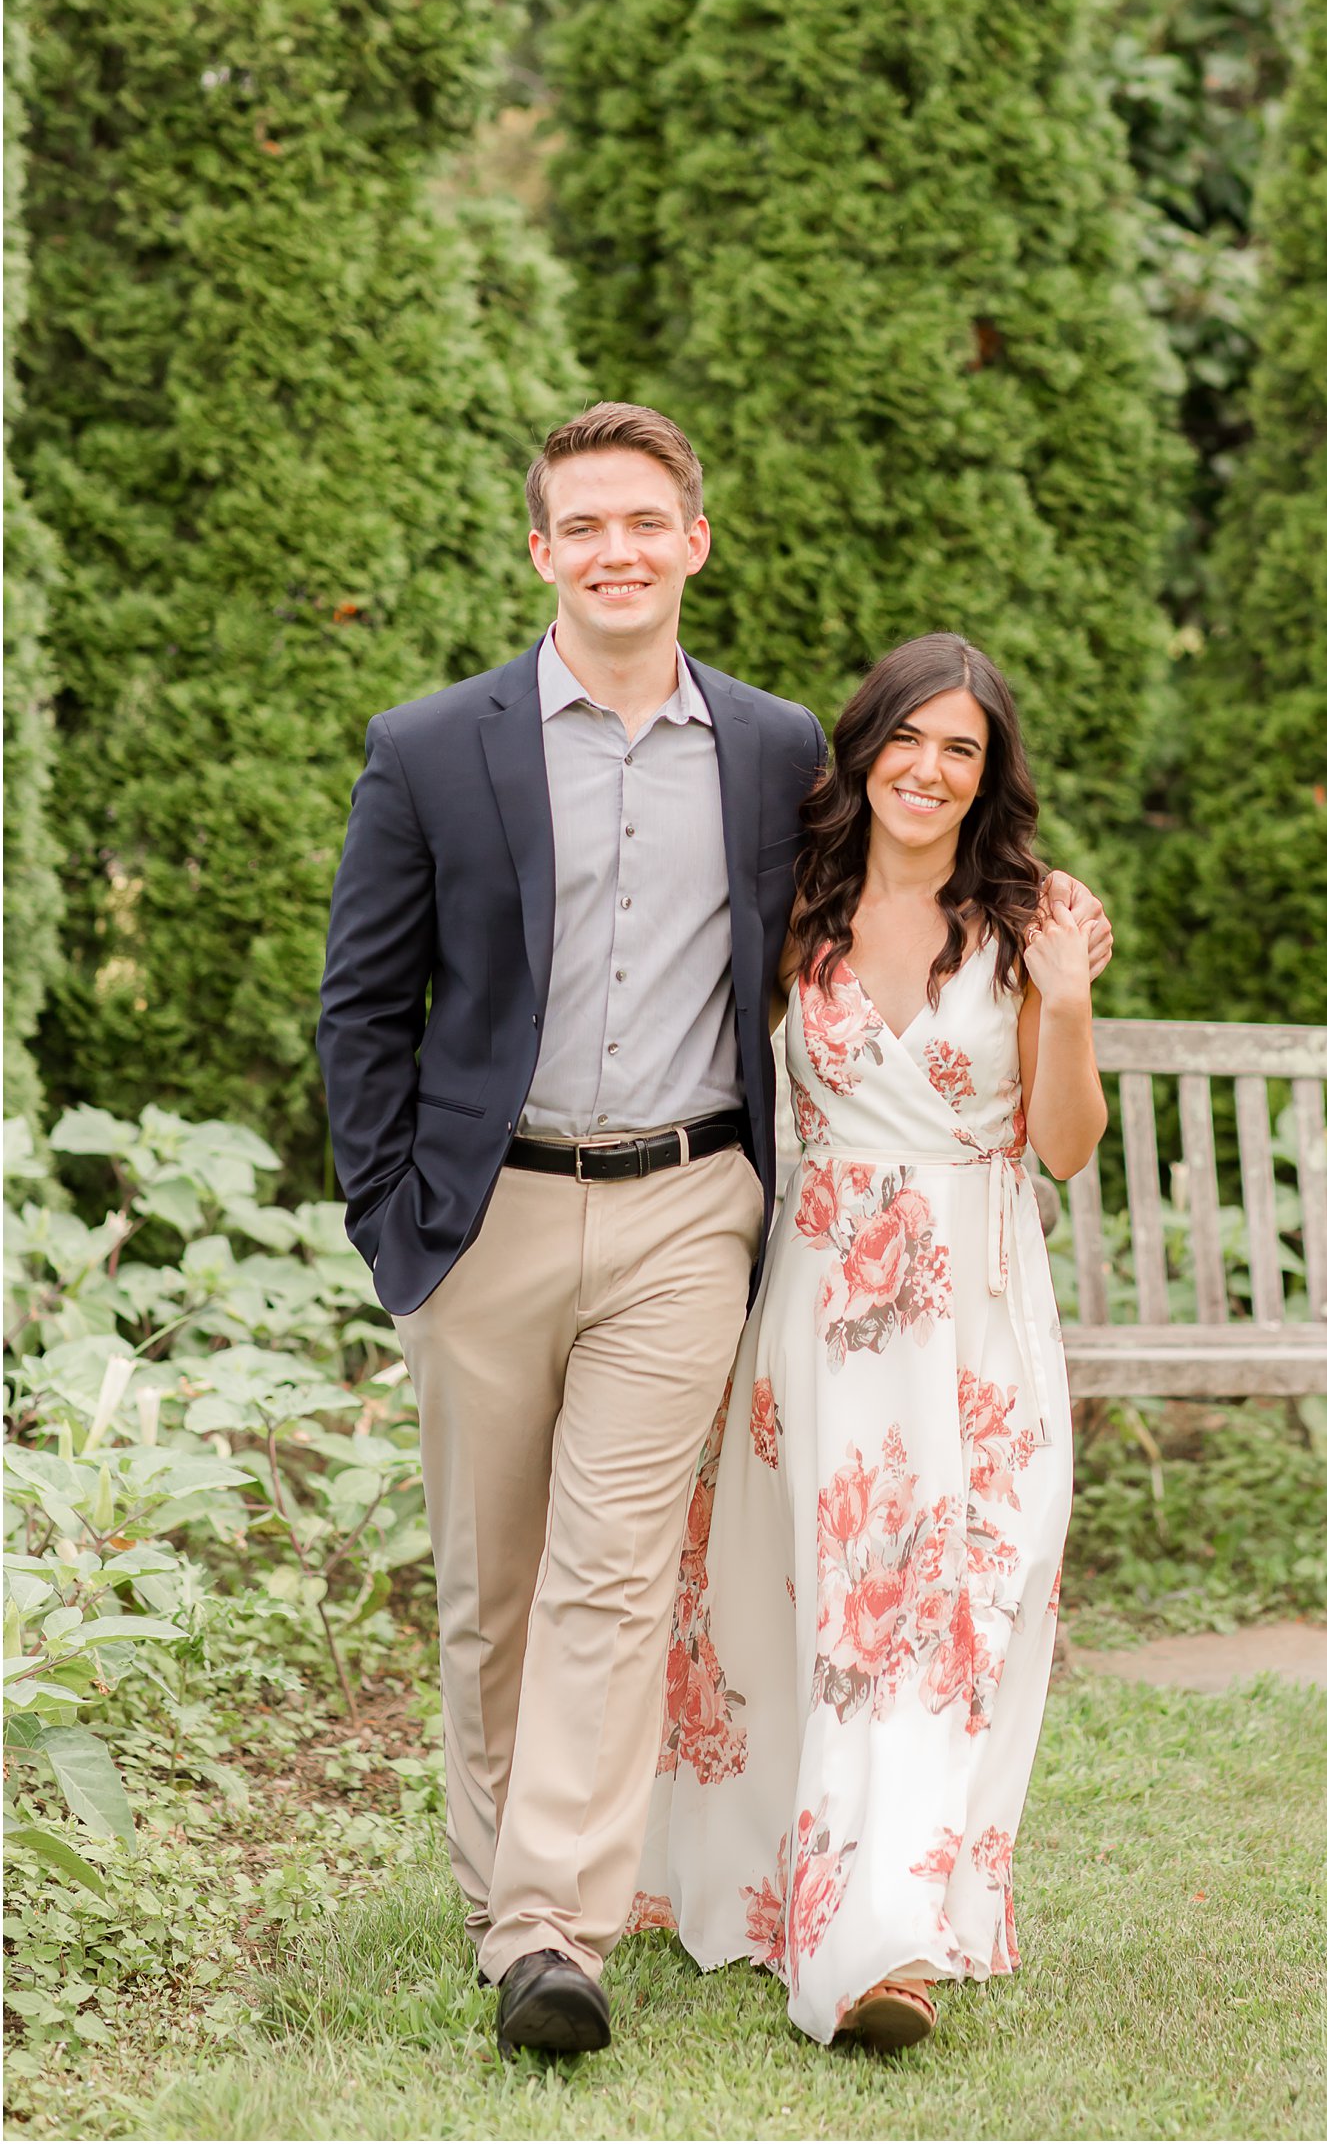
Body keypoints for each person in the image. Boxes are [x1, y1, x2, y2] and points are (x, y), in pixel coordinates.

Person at [317, 402, 1111, 2059]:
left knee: (615, 1574)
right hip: (488, 1215)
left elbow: (904, 893)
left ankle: (556, 1931)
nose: (616, 549)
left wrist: (1052, 956)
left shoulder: (766, 753)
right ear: (542, 549)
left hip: (690, 1207)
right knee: (492, 1585)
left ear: (694, 540)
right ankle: (495, 1893)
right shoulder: (429, 746)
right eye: (582, 524)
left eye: (645, 521)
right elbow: (361, 1008)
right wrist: (400, 1221)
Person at [636, 632, 1105, 2049]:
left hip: (974, 1312)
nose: (930, 767)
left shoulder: (1035, 919)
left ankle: (887, 1930)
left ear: (990, 775)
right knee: (820, 1611)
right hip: (824, 1311)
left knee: (943, 1617)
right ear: (866, 747)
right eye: (910, 736)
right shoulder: (798, 912)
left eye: (962, 747)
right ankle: (830, 1925)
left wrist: (1068, 999)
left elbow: (1069, 1151)